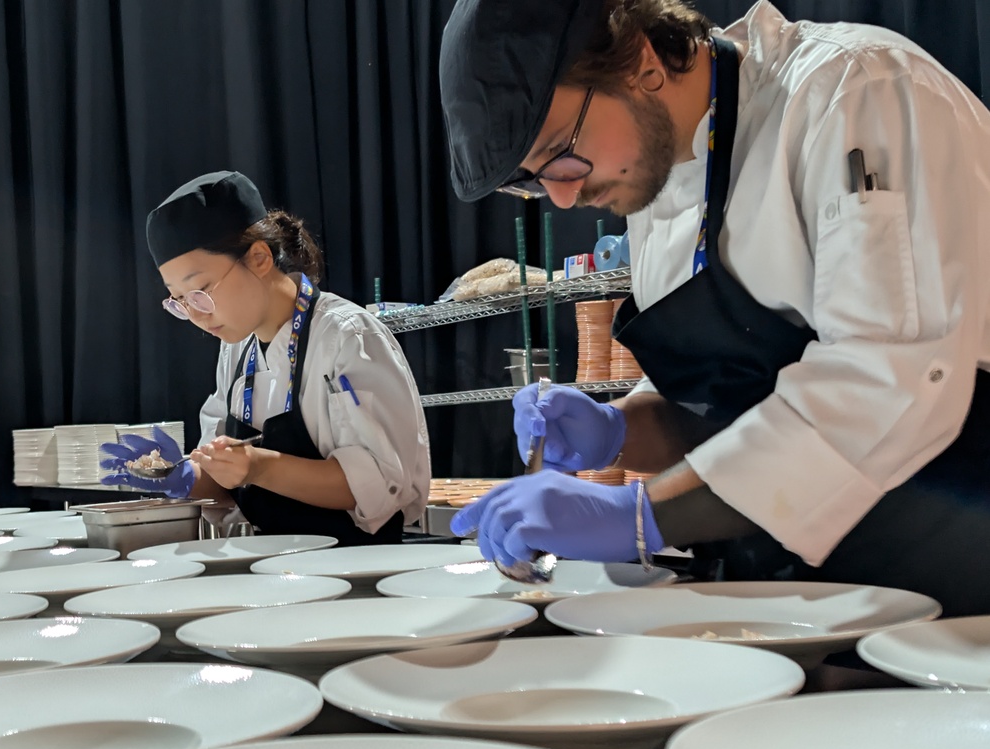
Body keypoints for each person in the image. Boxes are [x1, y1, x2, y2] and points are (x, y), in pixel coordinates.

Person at [440, 0, 990, 616]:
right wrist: (619, 429)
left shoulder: (854, 92)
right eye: (533, 180)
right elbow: (723, 408)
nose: (563, 198)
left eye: (561, 151)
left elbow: (886, 384)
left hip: (957, 566)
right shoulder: (652, 188)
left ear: (642, 64)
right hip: (808, 596)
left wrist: (640, 519)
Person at [101, 171, 431, 545]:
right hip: (275, 572)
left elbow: (380, 487)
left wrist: (259, 467)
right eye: (179, 301)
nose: (196, 315)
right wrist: (183, 476)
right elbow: (227, 487)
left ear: (259, 258)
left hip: (359, 570)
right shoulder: (236, 349)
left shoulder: (347, 335)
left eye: (201, 291)